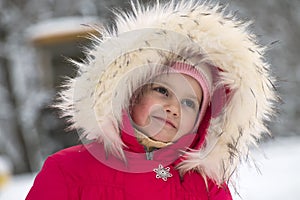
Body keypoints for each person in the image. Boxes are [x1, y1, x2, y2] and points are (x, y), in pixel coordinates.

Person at [26, 0, 278, 199]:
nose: (173, 107)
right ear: (132, 93)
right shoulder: (69, 170)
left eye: (190, 103)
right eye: (163, 91)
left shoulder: (206, 187)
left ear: (201, 124)